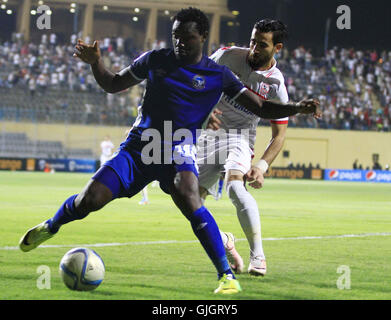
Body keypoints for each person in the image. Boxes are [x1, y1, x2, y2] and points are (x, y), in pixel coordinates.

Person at [18, 7, 319, 294]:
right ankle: (51, 226)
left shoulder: (219, 75)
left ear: (201, 38)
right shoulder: (155, 60)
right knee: (90, 200)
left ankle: (226, 276)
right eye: (175, 35)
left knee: (189, 195)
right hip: (140, 146)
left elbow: (263, 107)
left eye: (186, 37)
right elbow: (111, 84)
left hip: (178, 149)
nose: (179, 42)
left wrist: (297, 108)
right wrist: (96, 62)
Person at [197, 19, 320, 276]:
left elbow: (279, 134)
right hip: (208, 136)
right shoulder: (227, 56)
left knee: (234, 188)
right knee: (190, 204)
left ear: (277, 47)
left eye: (261, 44)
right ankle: (226, 241)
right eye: (252, 41)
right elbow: (197, 80)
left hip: (240, 137)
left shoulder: (276, 85)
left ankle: (258, 256)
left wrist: (262, 167)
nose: (253, 48)